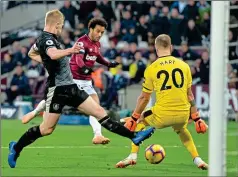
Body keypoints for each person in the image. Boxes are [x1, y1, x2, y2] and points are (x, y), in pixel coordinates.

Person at [8, 9, 155, 168]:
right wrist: (69, 51)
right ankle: (16, 147)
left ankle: (134, 136)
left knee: (99, 112)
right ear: (56, 24)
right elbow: (52, 54)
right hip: (57, 90)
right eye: (61, 25)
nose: (61, 28)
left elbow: (32, 53)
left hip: (71, 87)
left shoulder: (49, 39)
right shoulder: (47, 39)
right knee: (46, 129)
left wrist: (45, 62)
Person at [116, 34, 208, 170]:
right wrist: (197, 118)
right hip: (183, 114)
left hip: (162, 115)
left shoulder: (152, 68)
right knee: (182, 130)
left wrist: (134, 117)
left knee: (139, 121)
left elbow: (144, 98)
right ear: (171, 47)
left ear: (155, 48)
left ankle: (132, 156)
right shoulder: (184, 66)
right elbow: (190, 95)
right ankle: (198, 159)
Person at [22, 17, 120, 145]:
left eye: (102, 32)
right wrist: (84, 68)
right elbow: (78, 59)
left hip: (86, 82)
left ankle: (97, 135)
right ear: (91, 29)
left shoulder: (97, 44)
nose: (100, 34)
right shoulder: (81, 42)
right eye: (98, 31)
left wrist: (108, 63)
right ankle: (35, 111)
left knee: (96, 108)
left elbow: (98, 57)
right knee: (55, 103)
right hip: (73, 80)